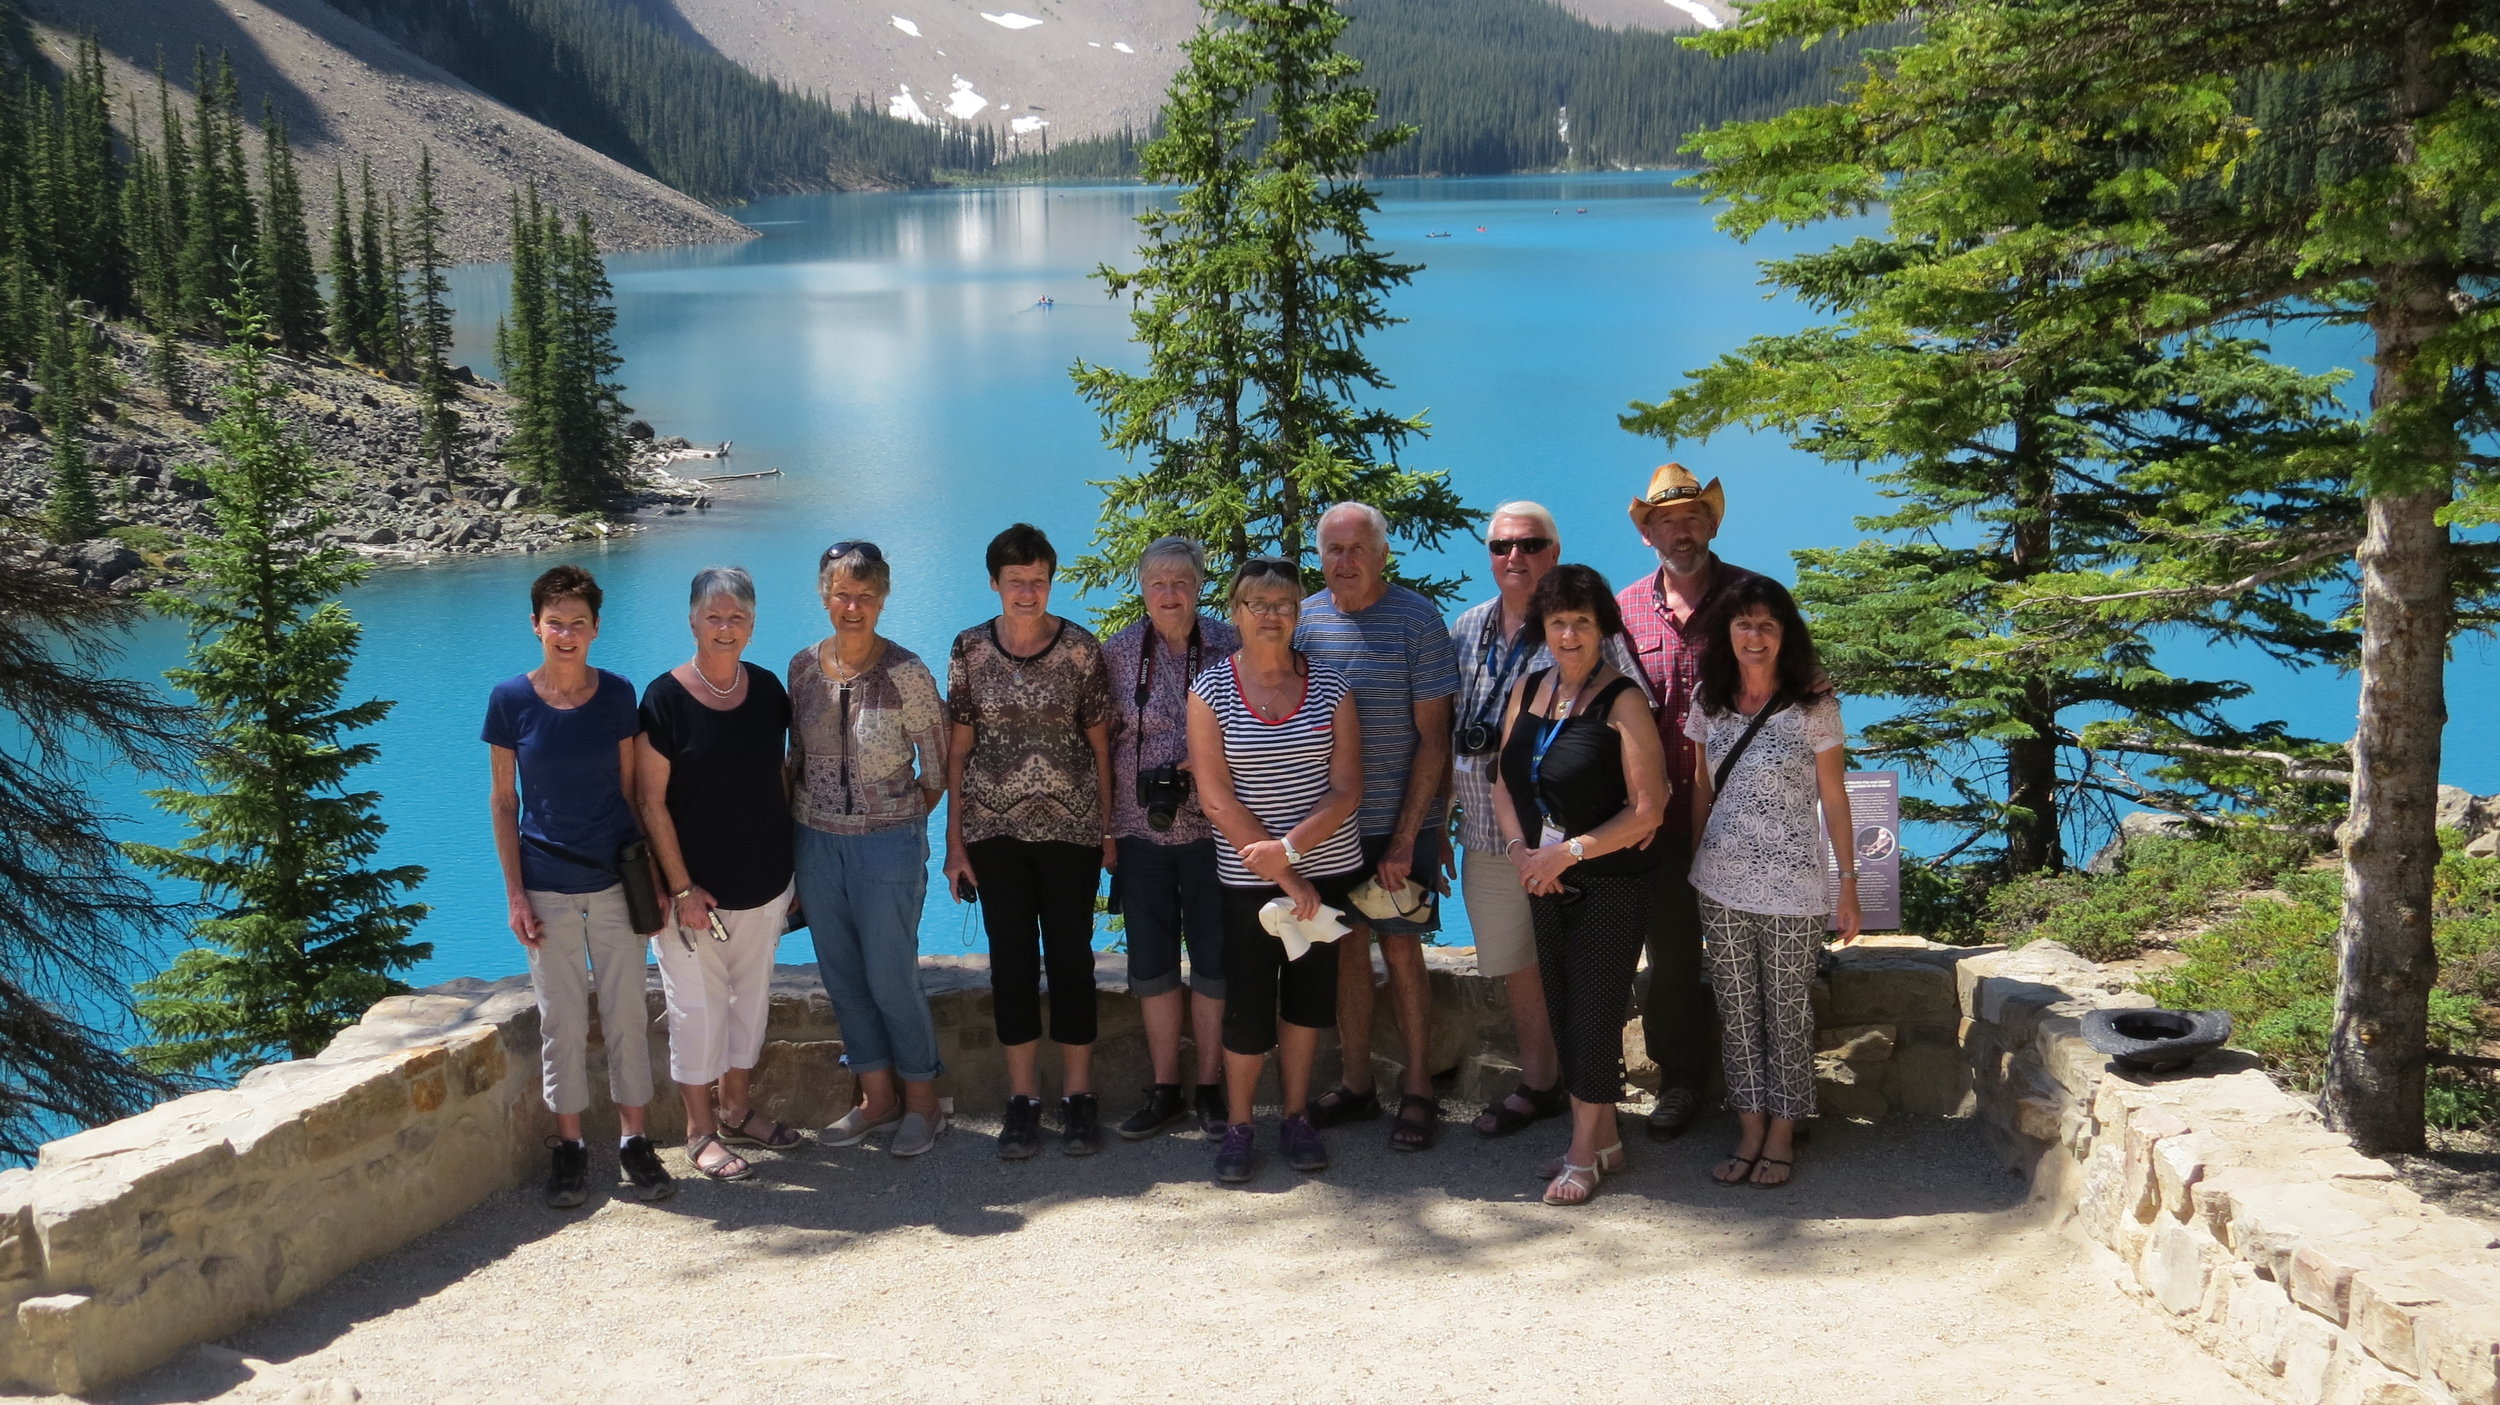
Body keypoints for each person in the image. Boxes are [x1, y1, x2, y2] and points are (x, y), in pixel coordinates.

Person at [1447, 503, 1649, 1139]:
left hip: (1579, 847)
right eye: (1502, 546)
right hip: (1493, 835)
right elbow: (1444, 729)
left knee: (1585, 979)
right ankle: (1543, 1084)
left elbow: (1631, 715)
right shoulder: (1468, 628)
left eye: (1531, 545)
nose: (1516, 557)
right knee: (1522, 967)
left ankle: (1592, 1111)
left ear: (1553, 552)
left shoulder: (1592, 634)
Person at [484, 564, 674, 1208]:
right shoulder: (510, 700)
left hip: (615, 883)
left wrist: (649, 875)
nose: (566, 634)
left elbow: (628, 792)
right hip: (545, 887)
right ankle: (568, 1148)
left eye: (578, 623)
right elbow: (504, 803)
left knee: (627, 1016)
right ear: (535, 625)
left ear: (595, 628)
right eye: (554, 622)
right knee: (560, 1021)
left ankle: (634, 1142)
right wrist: (514, 894)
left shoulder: (619, 695)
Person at [1488, 565, 1667, 1205]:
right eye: (1558, 621)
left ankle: (1582, 1153)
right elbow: (1503, 780)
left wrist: (1566, 853)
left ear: (1602, 629)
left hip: (1609, 882)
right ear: (1543, 626)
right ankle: (1608, 1140)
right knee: (1564, 1011)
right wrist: (1520, 852)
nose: (1568, 634)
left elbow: (1649, 808)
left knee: (1593, 1016)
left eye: (1582, 623)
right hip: (1542, 877)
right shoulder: (1529, 689)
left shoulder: (1622, 702)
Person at [1187, 558, 1367, 1184]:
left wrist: (1289, 852)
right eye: (1257, 603)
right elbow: (1215, 798)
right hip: (1248, 882)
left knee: (1310, 1005)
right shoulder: (1210, 690)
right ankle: (1240, 1126)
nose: (1270, 615)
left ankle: (1295, 1117)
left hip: (1326, 871)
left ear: (1299, 614)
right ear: (1235, 612)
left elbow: (1346, 790)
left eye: (1283, 604)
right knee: (1248, 1008)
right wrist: (1286, 874)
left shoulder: (1332, 687)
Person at [943, 523, 1116, 1159]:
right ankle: (1023, 1100)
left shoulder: (1079, 649)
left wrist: (1106, 831)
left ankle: (1078, 1096)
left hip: (1071, 832)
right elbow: (958, 747)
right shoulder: (969, 650)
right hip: (994, 833)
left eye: (1038, 580)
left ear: (1050, 581)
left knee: (1073, 960)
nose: (1027, 591)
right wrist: (955, 841)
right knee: (1010, 963)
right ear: (995, 583)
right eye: (1015, 581)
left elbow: (1101, 743)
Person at [1686, 575, 1861, 1189]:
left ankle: (1784, 1133)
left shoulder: (1815, 707)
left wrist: (1847, 884)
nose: (1753, 636)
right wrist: (1691, 865)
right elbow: (1703, 791)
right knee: (1736, 1014)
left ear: (1785, 634)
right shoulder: (1708, 703)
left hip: (1794, 890)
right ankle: (1750, 1128)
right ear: (1726, 634)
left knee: (1786, 1014)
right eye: (1743, 624)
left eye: (1766, 625)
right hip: (1720, 884)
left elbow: (1835, 799)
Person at [1296, 502, 1459, 1152]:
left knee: (1399, 949)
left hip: (1401, 823)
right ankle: (1358, 1083)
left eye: (1357, 547)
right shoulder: (1304, 621)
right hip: (1331, 830)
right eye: (1334, 549)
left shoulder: (1417, 620)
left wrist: (1405, 838)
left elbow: (1434, 739)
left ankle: (1419, 1088)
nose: (1345, 560)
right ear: (1321, 556)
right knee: (1344, 951)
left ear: (1381, 553)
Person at [1615, 462, 1767, 1141]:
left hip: (1744, 817)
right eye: (1667, 521)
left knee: (1757, 957)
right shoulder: (1622, 611)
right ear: (1648, 533)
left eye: (1692, 517)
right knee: (1671, 959)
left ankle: (1767, 1090)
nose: (1681, 530)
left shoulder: (1753, 599)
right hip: (1658, 820)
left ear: (1711, 523)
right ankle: (1680, 1083)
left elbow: (1795, 695)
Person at [635, 567, 800, 1182]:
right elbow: (649, 801)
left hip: (764, 884)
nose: (725, 628)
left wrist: (792, 870)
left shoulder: (767, 691)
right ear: (692, 621)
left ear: (752, 625)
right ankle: (699, 1131)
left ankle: (736, 1109)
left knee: (749, 1006)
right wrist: (679, 887)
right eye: (714, 617)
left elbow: (779, 779)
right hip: (691, 897)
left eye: (736, 618)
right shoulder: (664, 699)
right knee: (695, 1011)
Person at [789, 541, 951, 1159]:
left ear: (882, 599)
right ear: (824, 596)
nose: (852, 606)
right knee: (843, 980)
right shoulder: (802, 668)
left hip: (888, 847)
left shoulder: (907, 673)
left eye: (865, 595)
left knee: (891, 978)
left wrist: (895, 825)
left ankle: (924, 1104)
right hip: (816, 843)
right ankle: (876, 1099)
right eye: (841, 593)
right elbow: (795, 764)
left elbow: (936, 770)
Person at [1101, 536, 1242, 1139]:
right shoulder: (1120, 652)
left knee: (1213, 962)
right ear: (1141, 588)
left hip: (1218, 833)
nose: (1169, 594)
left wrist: (1210, 768)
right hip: (1141, 834)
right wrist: (1107, 830)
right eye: (1157, 582)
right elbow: (1100, 745)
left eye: (1181, 582)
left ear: (1200, 586)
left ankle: (1209, 1086)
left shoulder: (1230, 645)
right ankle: (1165, 1090)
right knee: (1152, 964)